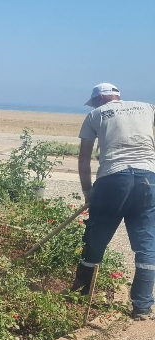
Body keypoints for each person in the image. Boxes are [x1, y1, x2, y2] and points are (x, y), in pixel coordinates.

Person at [70, 83, 155, 320]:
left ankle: (81, 293)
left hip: (113, 180)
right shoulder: (147, 107)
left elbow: (84, 159)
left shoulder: (95, 114)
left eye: (95, 101)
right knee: (147, 245)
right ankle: (142, 307)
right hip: (148, 180)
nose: (94, 105)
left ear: (101, 98)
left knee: (96, 239)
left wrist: (88, 190)